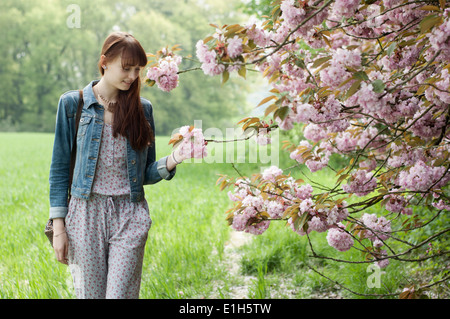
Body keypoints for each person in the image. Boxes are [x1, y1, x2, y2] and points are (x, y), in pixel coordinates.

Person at [48, 31, 188, 298]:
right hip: (85, 214)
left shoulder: (142, 109)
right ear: (104, 62)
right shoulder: (72, 105)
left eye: (138, 69)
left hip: (130, 214)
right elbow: (58, 170)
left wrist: (174, 159)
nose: (133, 76)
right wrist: (59, 229)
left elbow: (144, 172)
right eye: (126, 68)